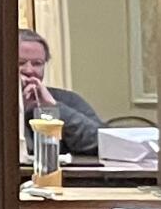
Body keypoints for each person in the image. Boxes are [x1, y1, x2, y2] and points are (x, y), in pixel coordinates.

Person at [18, 28, 103, 157]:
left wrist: (53, 108)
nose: (29, 70)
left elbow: (102, 142)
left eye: (37, 64)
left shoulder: (67, 99)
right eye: (21, 63)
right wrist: (19, 108)